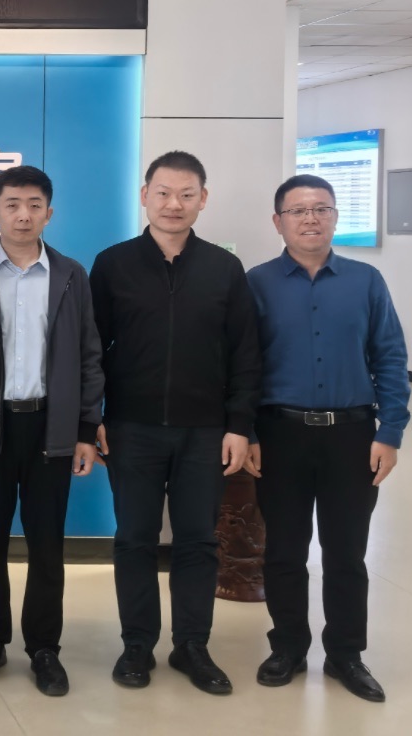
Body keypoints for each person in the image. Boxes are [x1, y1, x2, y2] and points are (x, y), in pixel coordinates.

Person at [89, 150, 260, 696]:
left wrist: (240, 425)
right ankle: (137, 644)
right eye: (163, 193)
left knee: (197, 542)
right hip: (131, 428)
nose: (173, 204)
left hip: (205, 432)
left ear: (203, 200)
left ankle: (192, 645)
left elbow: (245, 353)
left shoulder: (224, 268)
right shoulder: (113, 264)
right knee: (134, 540)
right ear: (145, 195)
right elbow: (91, 351)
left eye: (187, 194)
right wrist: (92, 418)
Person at [246, 174, 410, 703]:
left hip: (353, 436)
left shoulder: (366, 281)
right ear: (278, 222)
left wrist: (390, 431)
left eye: (321, 209)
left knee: (346, 553)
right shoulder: (256, 283)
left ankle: (345, 654)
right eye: (298, 211)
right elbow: (242, 366)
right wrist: (248, 431)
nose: (311, 219)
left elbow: (390, 356)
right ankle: (288, 647)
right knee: (284, 550)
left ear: (336, 217)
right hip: (279, 434)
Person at [0, 165, 104, 697]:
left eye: (34, 205)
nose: (23, 215)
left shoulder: (70, 275)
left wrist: (85, 428)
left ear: (49, 213)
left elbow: (89, 355)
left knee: (46, 545)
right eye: (12, 204)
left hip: (50, 428)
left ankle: (44, 648)